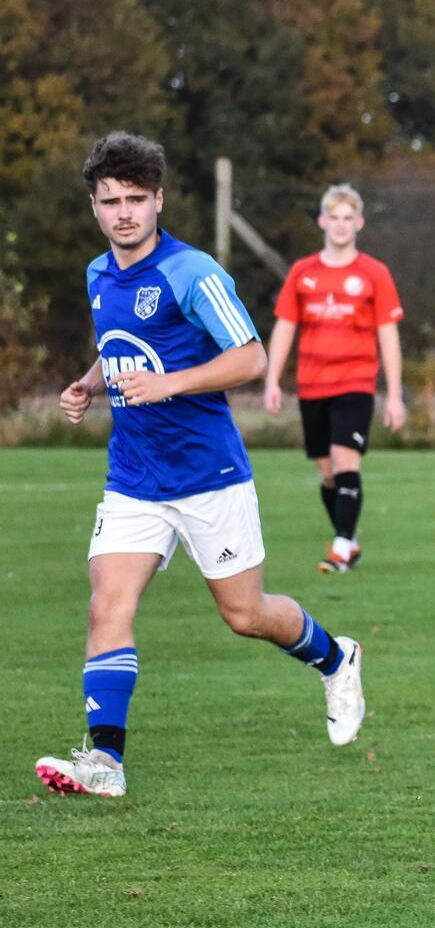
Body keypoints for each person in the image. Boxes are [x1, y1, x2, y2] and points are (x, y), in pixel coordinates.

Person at [35, 132, 366, 799]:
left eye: (135, 199)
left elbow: (249, 358)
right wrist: (87, 384)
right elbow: (119, 348)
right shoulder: (98, 274)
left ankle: (337, 657)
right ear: (95, 207)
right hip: (133, 476)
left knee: (245, 615)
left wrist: (171, 384)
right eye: (110, 201)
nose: (123, 212)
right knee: (108, 602)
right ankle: (106, 763)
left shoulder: (194, 274)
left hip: (208, 475)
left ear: (158, 200)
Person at [265, 182, 406, 573]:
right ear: (323, 221)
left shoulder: (375, 273)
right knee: (328, 473)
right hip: (312, 384)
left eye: (349, 218)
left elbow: (388, 337)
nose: (341, 225)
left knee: (347, 461)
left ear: (359, 223)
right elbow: (284, 327)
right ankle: (350, 539)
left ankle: (341, 546)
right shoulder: (302, 273)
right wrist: (272, 380)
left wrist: (394, 396)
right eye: (335, 218)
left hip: (356, 383)